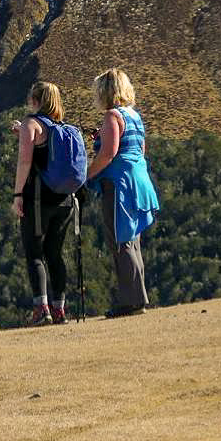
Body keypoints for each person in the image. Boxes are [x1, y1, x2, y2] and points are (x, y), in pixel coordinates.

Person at [84, 67, 160, 317]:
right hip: (139, 180)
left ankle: (130, 301)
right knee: (132, 240)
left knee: (119, 240)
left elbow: (109, 153)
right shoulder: (134, 116)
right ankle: (138, 297)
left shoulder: (112, 116)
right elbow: (139, 148)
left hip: (119, 185)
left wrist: (86, 174)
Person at [12, 80, 76, 326]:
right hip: (65, 200)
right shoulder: (64, 128)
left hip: (38, 199)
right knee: (55, 254)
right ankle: (60, 310)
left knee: (34, 254)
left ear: (36, 101)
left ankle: (42, 310)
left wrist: (18, 195)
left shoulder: (31, 123)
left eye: (31, 97)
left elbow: (25, 162)